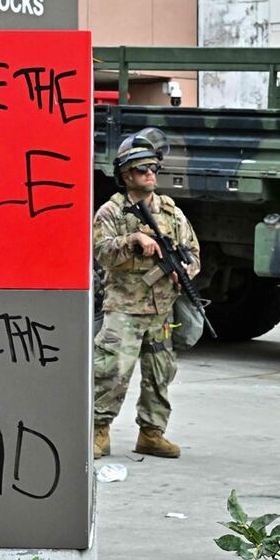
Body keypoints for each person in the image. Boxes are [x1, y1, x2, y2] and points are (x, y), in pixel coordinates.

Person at [92, 127, 200, 459]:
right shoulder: (111, 212)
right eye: (143, 169)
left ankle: (152, 433)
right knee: (111, 371)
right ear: (126, 175)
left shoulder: (171, 212)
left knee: (160, 373)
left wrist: (185, 270)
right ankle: (97, 431)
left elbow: (193, 253)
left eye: (154, 167)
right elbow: (101, 251)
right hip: (124, 308)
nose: (151, 173)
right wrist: (133, 240)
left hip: (161, 310)